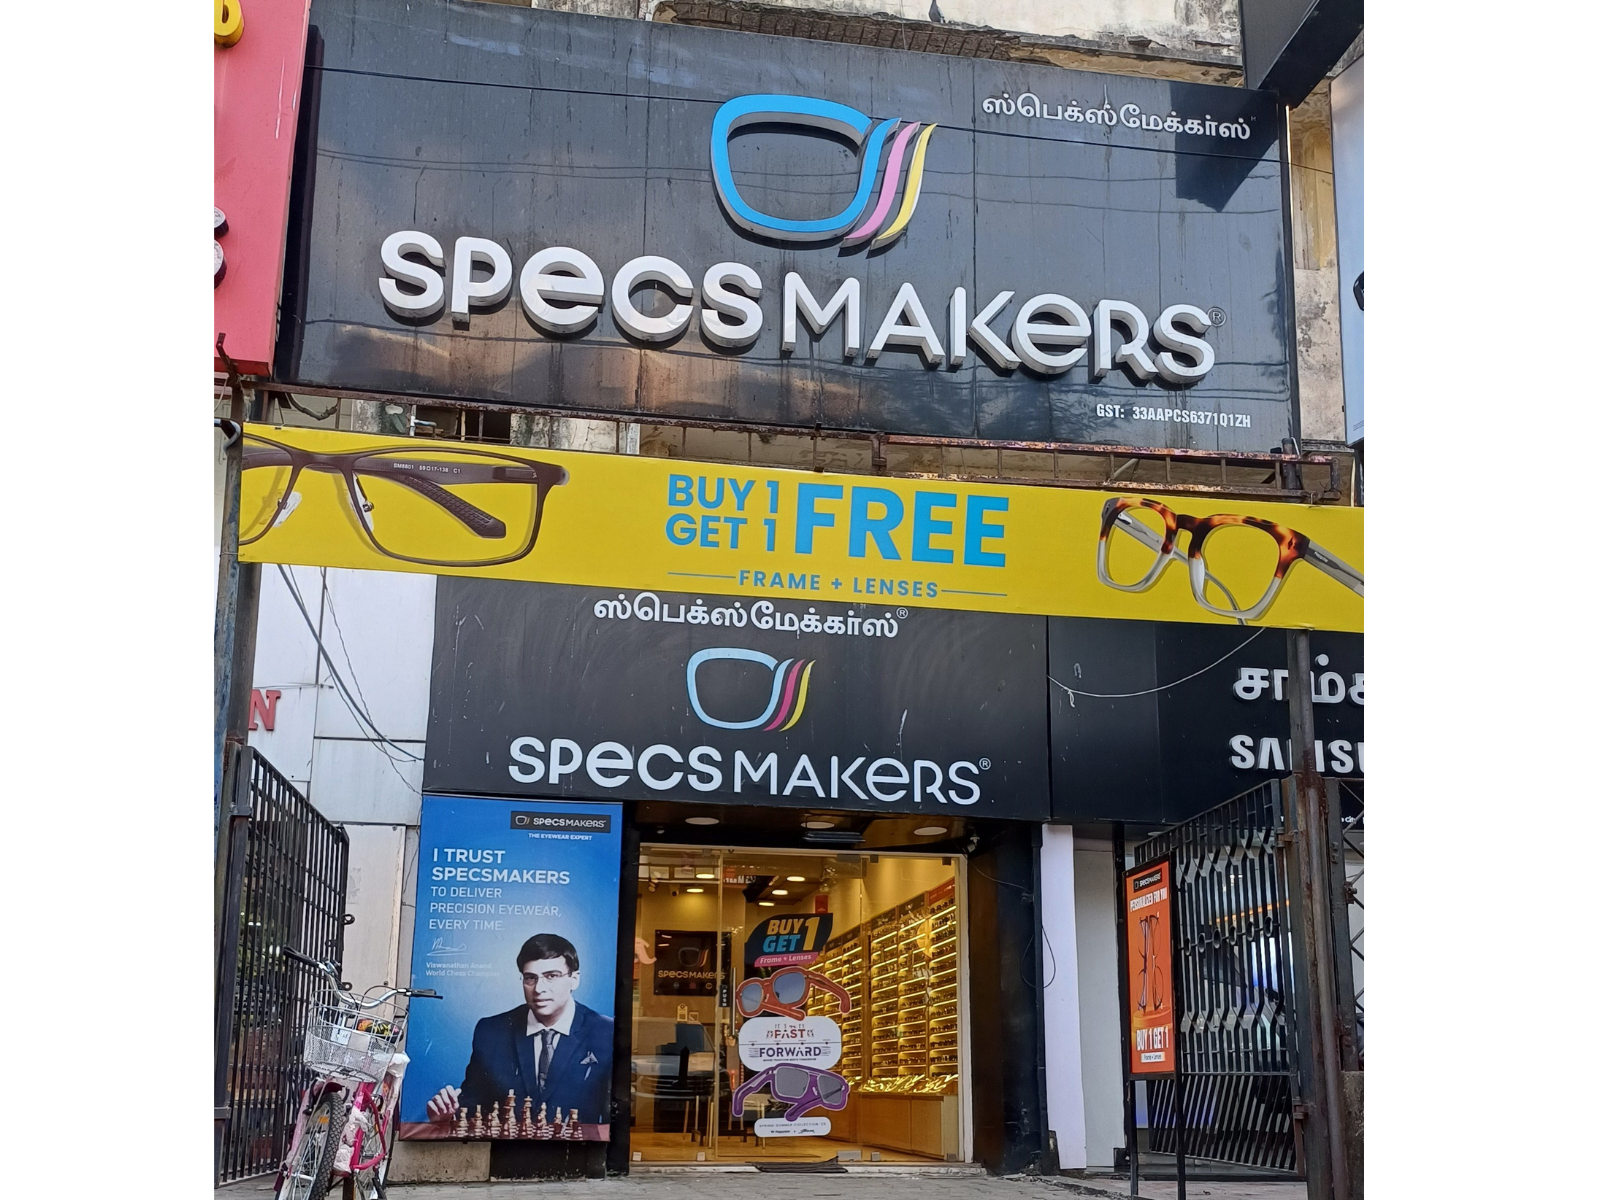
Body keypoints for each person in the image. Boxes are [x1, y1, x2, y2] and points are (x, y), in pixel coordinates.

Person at [427, 933, 613, 1126]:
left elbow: (613, 1118)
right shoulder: (491, 1032)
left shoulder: (606, 1032)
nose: (539, 989)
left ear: (574, 979)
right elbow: (472, 1108)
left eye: (551, 976)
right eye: (530, 978)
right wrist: (447, 1119)